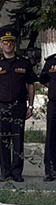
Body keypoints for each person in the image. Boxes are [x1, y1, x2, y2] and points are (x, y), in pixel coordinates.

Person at [0, 26, 36, 182]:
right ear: (1, 44)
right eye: (5, 42)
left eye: (11, 42)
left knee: (18, 140)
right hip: (1, 107)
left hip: (19, 106)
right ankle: (5, 172)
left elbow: (30, 85)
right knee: (3, 140)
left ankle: (17, 173)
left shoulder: (24, 62)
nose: (8, 45)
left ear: (14, 44)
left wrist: (31, 105)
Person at [40, 49, 56, 181]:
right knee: (51, 137)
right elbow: (43, 79)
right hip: (54, 104)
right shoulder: (51, 62)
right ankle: (50, 170)